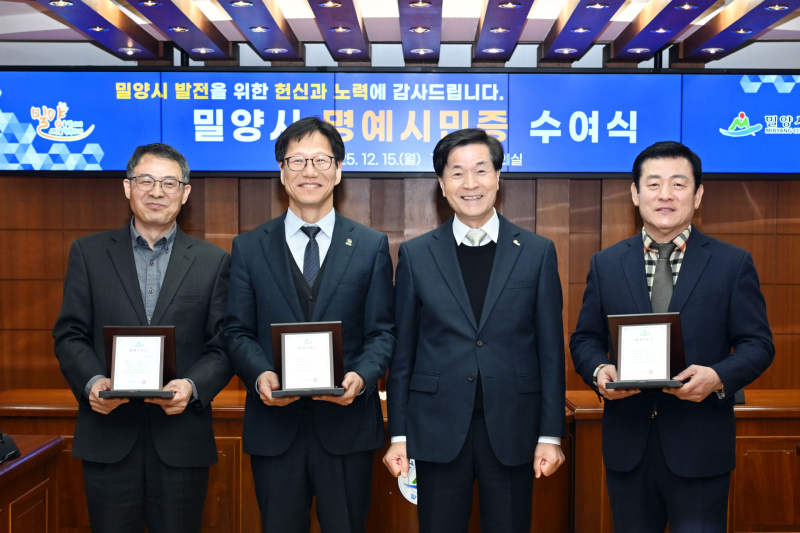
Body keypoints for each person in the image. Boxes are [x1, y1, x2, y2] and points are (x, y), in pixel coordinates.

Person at [570, 141, 774, 533]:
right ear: (635, 193)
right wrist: (598, 371)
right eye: (654, 184)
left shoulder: (732, 263)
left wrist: (717, 377)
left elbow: (758, 344)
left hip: (701, 448)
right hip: (628, 448)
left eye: (678, 184)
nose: (665, 194)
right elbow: (585, 339)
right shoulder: (606, 263)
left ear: (697, 195)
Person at [383, 128, 566, 533]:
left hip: (514, 430)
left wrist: (551, 435)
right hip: (436, 430)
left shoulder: (536, 252)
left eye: (481, 171)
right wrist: (398, 434)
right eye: (457, 173)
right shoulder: (416, 254)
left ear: (498, 178)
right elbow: (403, 354)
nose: (470, 184)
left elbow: (551, 353)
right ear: (441, 184)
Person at [223, 116, 396, 533]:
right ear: (282, 172)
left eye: (321, 160)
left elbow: (382, 332)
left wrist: (361, 377)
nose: (309, 171)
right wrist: (260, 374)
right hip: (274, 428)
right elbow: (236, 330)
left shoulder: (370, 245)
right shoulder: (249, 247)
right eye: (297, 160)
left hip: (347, 427)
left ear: (338, 170)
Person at [53, 143, 233, 533]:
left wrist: (192, 386)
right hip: (108, 435)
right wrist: (91, 382)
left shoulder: (213, 261)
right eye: (146, 181)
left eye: (169, 183)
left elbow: (222, 344)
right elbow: (69, 334)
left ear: (185, 192)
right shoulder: (88, 253)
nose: (156, 192)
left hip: (182, 438)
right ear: (127, 187)